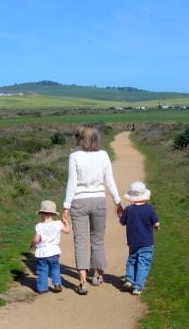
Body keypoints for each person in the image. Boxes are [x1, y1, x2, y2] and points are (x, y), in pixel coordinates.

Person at [62, 124, 122, 295]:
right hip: (99, 201)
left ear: (81, 139)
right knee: (98, 240)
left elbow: (72, 183)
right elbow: (109, 180)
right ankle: (96, 275)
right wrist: (117, 202)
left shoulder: (74, 157)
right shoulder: (103, 155)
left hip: (79, 202)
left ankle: (82, 281)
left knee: (80, 241)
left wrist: (66, 206)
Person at [119, 181, 160, 295]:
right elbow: (156, 224)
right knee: (143, 263)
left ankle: (129, 280)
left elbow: (122, 222)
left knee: (132, 260)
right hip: (146, 242)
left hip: (133, 242)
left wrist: (120, 214)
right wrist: (157, 227)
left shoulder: (128, 209)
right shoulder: (150, 209)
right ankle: (138, 286)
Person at [30, 200, 71, 293]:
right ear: (53, 214)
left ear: (42, 214)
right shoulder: (58, 224)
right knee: (55, 268)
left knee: (42, 270)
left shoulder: (39, 226)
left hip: (43, 253)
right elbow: (68, 231)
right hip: (54, 252)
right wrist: (66, 222)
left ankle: (42, 288)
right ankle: (57, 284)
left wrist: (32, 245)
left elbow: (36, 239)